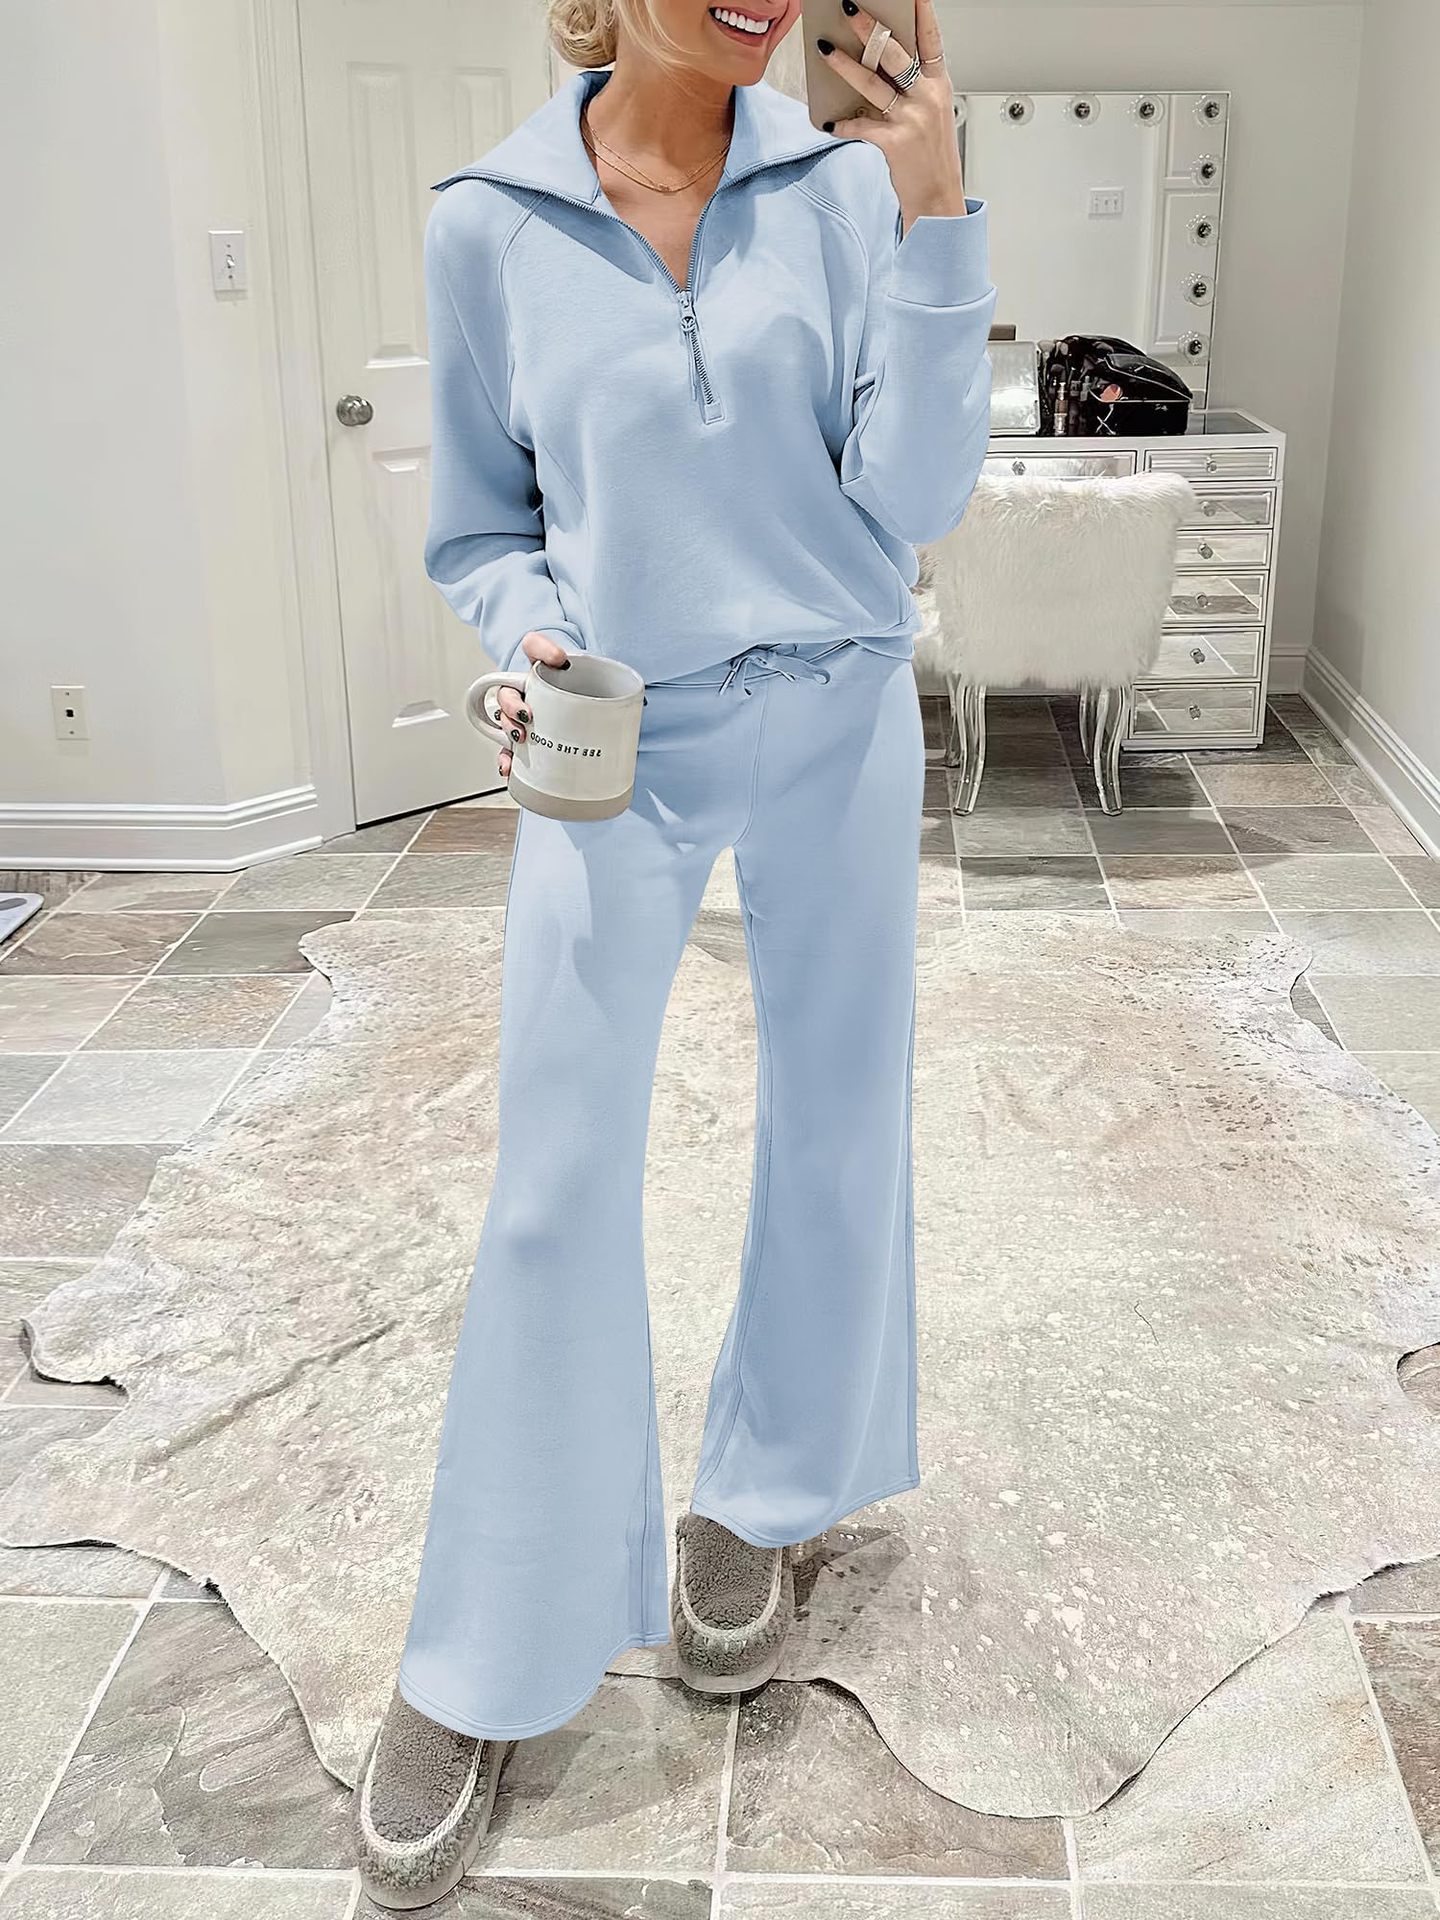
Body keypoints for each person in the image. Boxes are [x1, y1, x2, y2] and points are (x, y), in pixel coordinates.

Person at [353, 0, 994, 1904]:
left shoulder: (841, 192)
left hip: (841, 702)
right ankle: (487, 1648)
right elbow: (482, 526)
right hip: (615, 731)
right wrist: (524, 630)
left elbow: (915, 501)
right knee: (555, 1177)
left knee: (839, 1120)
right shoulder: (488, 222)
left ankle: (770, 1494)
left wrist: (936, 206)